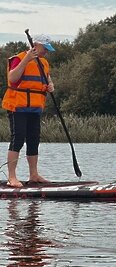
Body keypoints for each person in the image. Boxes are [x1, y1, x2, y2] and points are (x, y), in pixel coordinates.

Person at [2, 34, 56, 188]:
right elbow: (13, 78)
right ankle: (12, 177)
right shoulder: (18, 58)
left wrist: (51, 85)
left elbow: (47, 79)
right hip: (17, 106)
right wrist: (27, 59)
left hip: (35, 107)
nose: (46, 51)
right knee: (17, 139)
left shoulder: (44, 63)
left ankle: (34, 174)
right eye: (44, 48)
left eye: (47, 49)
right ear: (36, 45)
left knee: (34, 140)